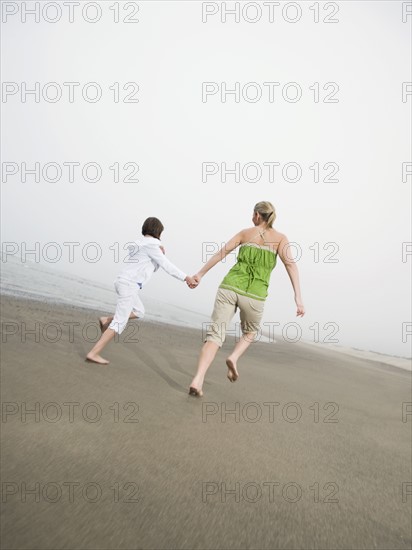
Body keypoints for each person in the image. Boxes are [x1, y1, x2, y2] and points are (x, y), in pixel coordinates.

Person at [188, 201, 305, 397]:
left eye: (253, 214)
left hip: (230, 287)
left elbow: (221, 253)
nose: (251, 217)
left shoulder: (244, 233)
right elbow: (291, 266)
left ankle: (197, 379)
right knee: (250, 333)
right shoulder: (281, 239)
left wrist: (200, 274)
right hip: (255, 295)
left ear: (258, 216)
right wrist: (298, 298)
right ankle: (233, 356)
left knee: (215, 336)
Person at [86, 217, 197, 365]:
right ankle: (93, 353)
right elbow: (166, 265)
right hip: (129, 285)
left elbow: (152, 267)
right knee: (120, 322)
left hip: (123, 282)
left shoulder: (139, 244)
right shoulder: (153, 245)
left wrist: (161, 254)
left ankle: (106, 320)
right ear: (158, 232)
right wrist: (186, 278)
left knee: (139, 311)